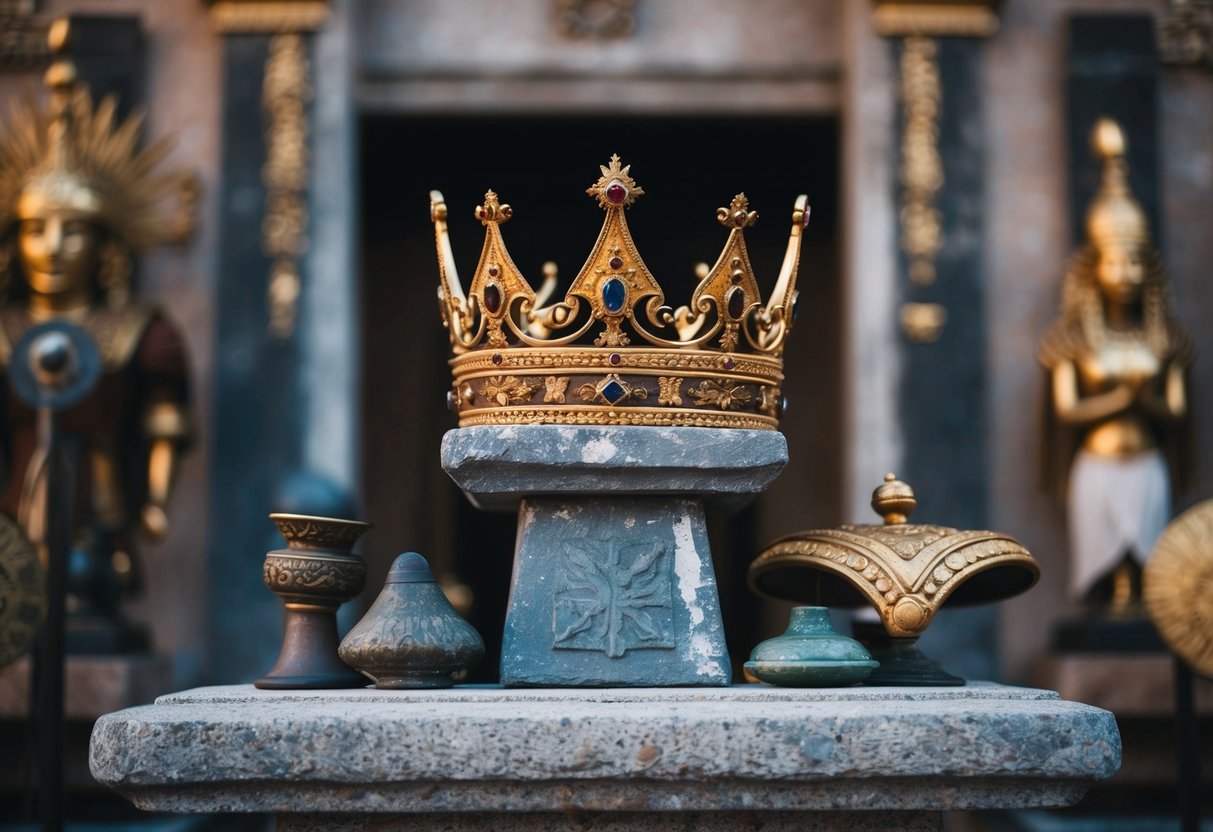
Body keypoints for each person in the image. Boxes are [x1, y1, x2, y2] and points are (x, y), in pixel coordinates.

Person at [0, 46, 193, 650]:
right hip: (16, 492)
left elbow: (166, 418)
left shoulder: (140, 328)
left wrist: (154, 501)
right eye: (36, 229)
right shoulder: (4, 326)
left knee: (90, 575)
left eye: (72, 229)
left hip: (102, 490)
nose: (52, 248)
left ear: (105, 245)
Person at [1039, 118, 1192, 614]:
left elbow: (1174, 412)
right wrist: (1123, 398)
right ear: (1094, 268)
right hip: (1097, 464)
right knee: (1103, 570)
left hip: (1147, 462)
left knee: (1148, 565)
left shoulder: (1165, 339)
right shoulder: (1074, 342)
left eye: (1133, 263)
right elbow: (1067, 412)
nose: (1123, 274)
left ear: (1147, 269)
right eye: (1113, 262)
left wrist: (1142, 399)